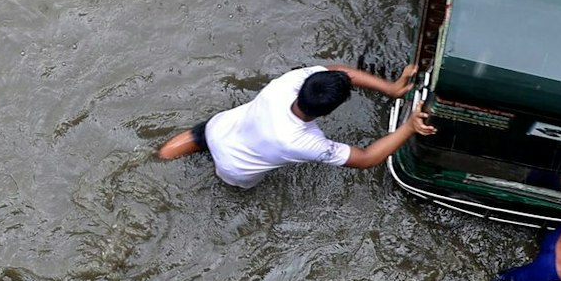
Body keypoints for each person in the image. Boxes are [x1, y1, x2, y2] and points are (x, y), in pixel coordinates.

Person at [156, 64, 435, 188]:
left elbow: (338, 70)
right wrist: (408, 127)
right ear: (326, 113)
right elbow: (365, 159)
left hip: (220, 128)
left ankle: (157, 158)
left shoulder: (287, 83)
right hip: (234, 166)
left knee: (197, 137)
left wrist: (389, 87)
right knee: (229, 185)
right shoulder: (303, 142)